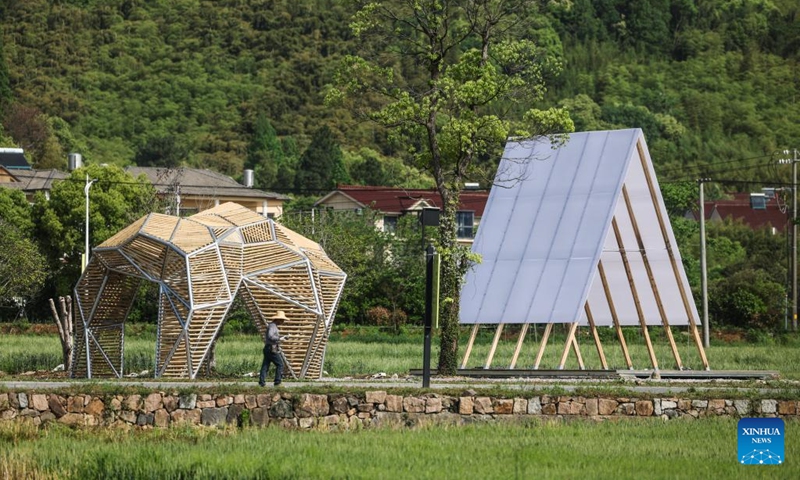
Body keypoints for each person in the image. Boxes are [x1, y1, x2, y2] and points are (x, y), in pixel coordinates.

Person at [259, 310, 289, 387]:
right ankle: (277, 382)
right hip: (271, 348)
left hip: (268, 348)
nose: (283, 322)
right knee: (280, 364)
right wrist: (280, 338)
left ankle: (261, 383)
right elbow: (270, 336)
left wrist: (281, 338)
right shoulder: (272, 326)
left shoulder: (272, 326)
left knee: (265, 366)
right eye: (282, 320)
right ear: (278, 319)